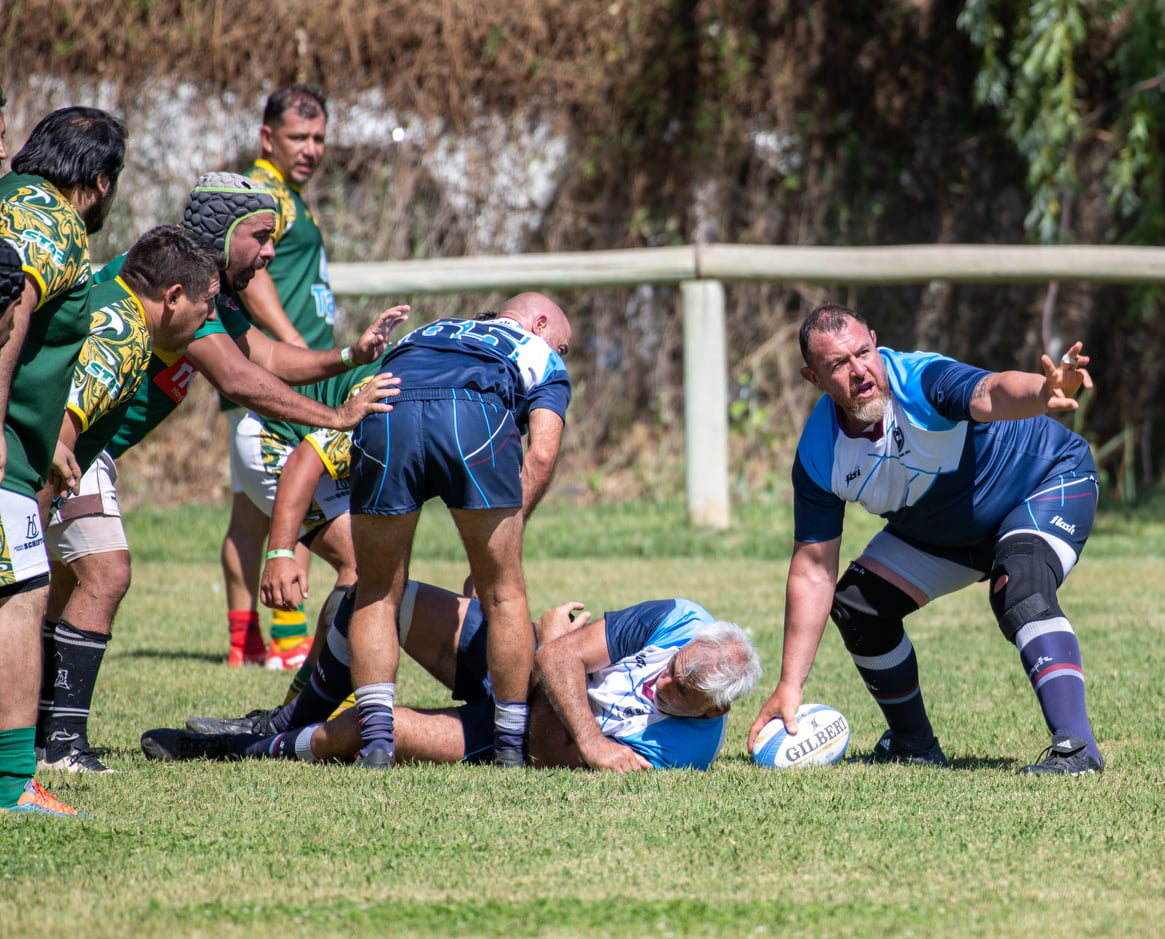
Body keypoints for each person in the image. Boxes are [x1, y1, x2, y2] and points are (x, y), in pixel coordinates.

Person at [34, 176, 407, 774]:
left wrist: (347, 357)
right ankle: (59, 746)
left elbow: (264, 356)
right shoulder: (183, 290)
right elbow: (241, 382)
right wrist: (337, 416)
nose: (269, 253)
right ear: (221, 233)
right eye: (260, 236)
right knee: (96, 574)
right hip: (63, 437)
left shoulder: (206, 293)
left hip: (78, 443)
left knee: (56, 582)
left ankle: (42, 735)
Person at [748, 304, 1104, 776]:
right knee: (859, 606)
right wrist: (790, 686)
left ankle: (1076, 750)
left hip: (1044, 481)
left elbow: (991, 391)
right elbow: (814, 570)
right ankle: (913, 744)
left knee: (1021, 584)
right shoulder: (819, 453)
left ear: (876, 341)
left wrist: (1044, 391)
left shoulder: (920, 380)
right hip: (943, 528)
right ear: (812, 378)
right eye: (838, 365)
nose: (859, 372)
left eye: (864, 352)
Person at [144, 583, 760, 771]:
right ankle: (284, 717)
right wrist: (593, 738)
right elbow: (553, 658)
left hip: (518, 731)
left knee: (369, 727)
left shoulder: (686, 752)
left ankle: (255, 747)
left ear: (714, 713)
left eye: (679, 694)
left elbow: (545, 749)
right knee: (374, 601)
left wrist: (551, 655)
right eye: (671, 673)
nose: (662, 687)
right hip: (525, 665)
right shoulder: (682, 622)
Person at [344, 298, 572, 769]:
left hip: (388, 407)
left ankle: (376, 742)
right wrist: (499, 541)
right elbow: (543, 456)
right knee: (504, 593)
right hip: (472, 412)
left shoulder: (431, 331)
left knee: (376, 589)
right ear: (540, 323)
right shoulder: (538, 352)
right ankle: (509, 745)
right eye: (562, 345)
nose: (561, 353)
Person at [0, 106, 128, 817]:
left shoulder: (9, 199)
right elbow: (5, 307)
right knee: (20, 596)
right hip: (5, 460)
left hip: (25, 447)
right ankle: (12, 783)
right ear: (100, 182)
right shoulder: (52, 222)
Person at [221, 85, 355, 668]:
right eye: (298, 137)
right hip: (286, 371)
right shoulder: (268, 194)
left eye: (319, 137)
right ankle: (290, 640)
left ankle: (243, 640)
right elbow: (253, 276)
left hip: (275, 367)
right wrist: (292, 344)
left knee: (250, 510)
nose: (311, 148)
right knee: (296, 502)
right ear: (266, 137)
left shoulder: (290, 194)